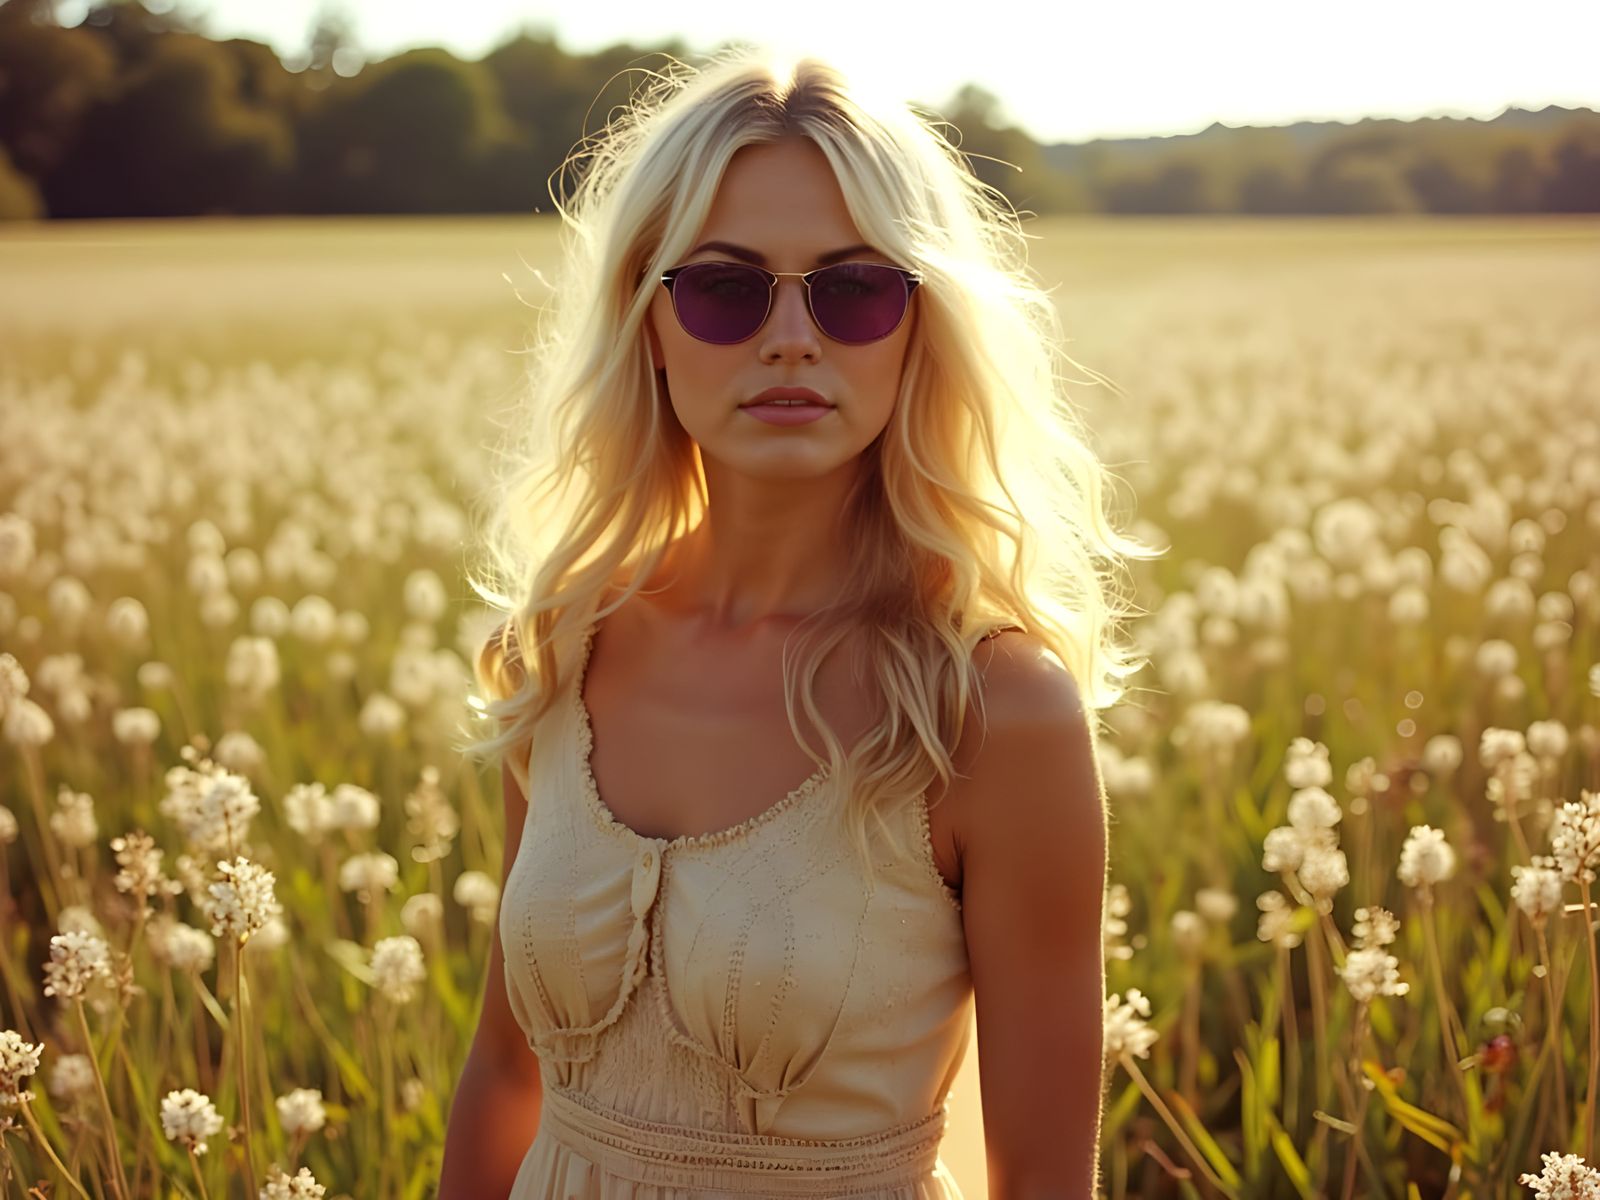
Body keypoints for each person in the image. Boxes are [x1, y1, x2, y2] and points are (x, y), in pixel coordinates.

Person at [441, 44, 1158, 1200]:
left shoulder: (991, 709)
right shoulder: (568, 645)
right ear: (647, 317)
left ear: (923, 325)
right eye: (724, 286)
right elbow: (506, 1071)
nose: (791, 336)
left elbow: (1041, 1179)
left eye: (854, 288)